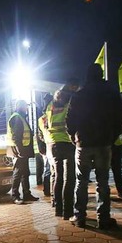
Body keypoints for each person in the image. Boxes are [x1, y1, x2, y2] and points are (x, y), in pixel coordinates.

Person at [66, 64, 122, 229]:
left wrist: (74, 137)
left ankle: (79, 216)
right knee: (103, 181)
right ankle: (104, 218)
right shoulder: (111, 94)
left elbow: (70, 119)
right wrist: (113, 137)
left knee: (82, 181)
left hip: (83, 143)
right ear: (101, 75)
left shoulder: (79, 95)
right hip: (104, 143)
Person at [39, 85, 78, 219]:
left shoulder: (51, 106)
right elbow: (72, 123)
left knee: (58, 177)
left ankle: (58, 209)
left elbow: (45, 125)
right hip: (67, 143)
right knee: (69, 178)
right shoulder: (69, 105)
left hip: (53, 145)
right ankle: (68, 211)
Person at [6, 99, 39, 204]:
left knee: (25, 172)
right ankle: (15, 195)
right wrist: (19, 149)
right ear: (21, 106)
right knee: (18, 172)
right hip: (19, 150)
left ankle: (26, 194)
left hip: (23, 149)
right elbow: (16, 136)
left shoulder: (20, 117)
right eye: (25, 106)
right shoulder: (17, 117)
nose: (26, 108)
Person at [110, 134, 122, 200]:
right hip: (115, 145)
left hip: (107, 145)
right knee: (117, 171)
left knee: (103, 172)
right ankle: (120, 191)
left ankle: (104, 193)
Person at [34, 129, 51, 196]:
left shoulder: (42, 122)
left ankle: (47, 189)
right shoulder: (43, 121)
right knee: (48, 170)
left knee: (45, 170)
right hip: (46, 151)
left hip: (45, 150)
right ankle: (47, 190)